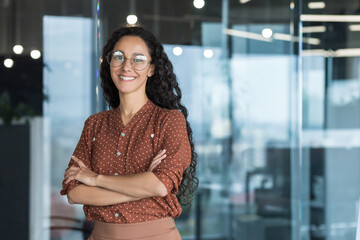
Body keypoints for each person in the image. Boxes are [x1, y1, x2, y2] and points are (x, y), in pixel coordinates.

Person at [60, 25, 198, 240]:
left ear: (151, 68)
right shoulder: (94, 124)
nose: (126, 66)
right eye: (119, 57)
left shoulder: (169, 121)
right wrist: (141, 186)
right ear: (109, 63)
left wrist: (95, 179)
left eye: (138, 59)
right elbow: (74, 192)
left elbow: (160, 186)